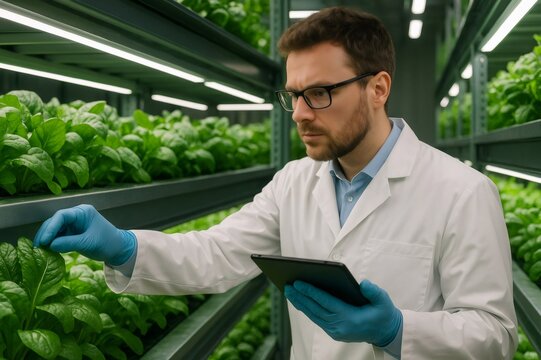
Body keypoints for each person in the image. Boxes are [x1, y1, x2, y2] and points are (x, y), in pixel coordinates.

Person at [34, 7, 518, 360]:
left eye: (320, 93)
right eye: (294, 96)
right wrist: (123, 247)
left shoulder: (461, 192)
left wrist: (397, 330)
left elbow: (495, 334)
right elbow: (218, 254)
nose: (302, 114)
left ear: (378, 88)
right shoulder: (294, 182)